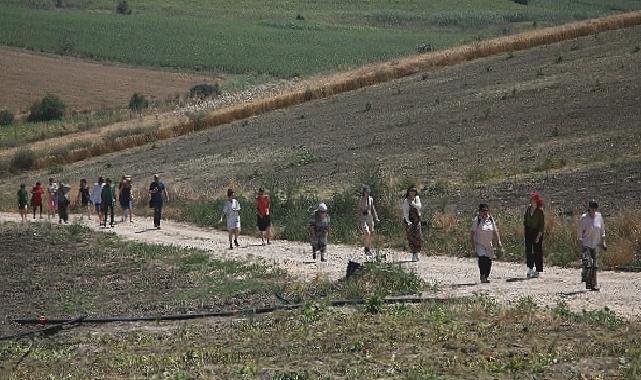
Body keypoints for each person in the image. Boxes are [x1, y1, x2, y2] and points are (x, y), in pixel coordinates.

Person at [470, 203, 503, 284]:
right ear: (479, 212)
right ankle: (482, 275)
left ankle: (486, 276)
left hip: (488, 244)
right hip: (479, 244)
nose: (485, 212)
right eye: (482, 211)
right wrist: (473, 246)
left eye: (486, 211)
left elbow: (495, 231)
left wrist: (498, 242)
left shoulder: (491, 219)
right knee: (482, 259)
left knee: (488, 262)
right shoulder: (477, 220)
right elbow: (472, 234)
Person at [577, 200, 606, 291]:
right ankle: (588, 281)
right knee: (589, 263)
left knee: (595, 264)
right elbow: (579, 233)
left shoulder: (599, 216)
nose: (593, 210)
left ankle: (594, 284)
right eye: (592, 208)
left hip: (596, 244)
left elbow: (602, 231)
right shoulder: (584, 218)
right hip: (586, 244)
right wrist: (580, 246)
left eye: (595, 208)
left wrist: (604, 243)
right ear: (589, 208)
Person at [524, 192, 545, 278]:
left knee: (537, 251)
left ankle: (538, 270)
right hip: (529, 231)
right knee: (529, 250)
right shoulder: (529, 208)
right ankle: (530, 268)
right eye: (531, 199)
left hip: (537, 232)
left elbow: (541, 225)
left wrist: (538, 236)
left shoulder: (540, 211)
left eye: (533, 199)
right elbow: (525, 218)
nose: (532, 201)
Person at [358, 185, 380, 256]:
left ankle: (368, 247)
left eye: (368, 192)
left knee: (371, 234)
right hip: (364, 218)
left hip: (370, 217)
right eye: (366, 192)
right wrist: (360, 221)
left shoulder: (371, 199)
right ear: (363, 192)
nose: (367, 193)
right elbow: (359, 210)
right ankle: (366, 249)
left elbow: (373, 208)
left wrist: (376, 217)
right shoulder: (361, 200)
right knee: (367, 233)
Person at [402, 186, 422, 262]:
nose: (412, 192)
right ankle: (414, 254)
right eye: (411, 191)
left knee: (418, 237)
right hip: (409, 221)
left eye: (414, 191)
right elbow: (405, 212)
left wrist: (413, 204)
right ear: (408, 192)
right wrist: (408, 222)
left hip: (417, 220)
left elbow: (419, 207)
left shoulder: (417, 198)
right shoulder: (406, 201)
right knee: (411, 238)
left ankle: (417, 253)